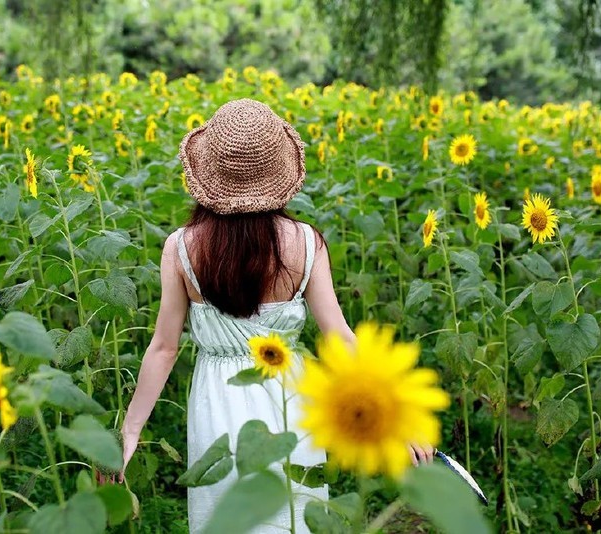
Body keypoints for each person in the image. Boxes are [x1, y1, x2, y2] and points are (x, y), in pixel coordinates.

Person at [96, 98, 435, 532]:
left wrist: (129, 432)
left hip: (216, 401)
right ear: (279, 173)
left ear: (208, 172)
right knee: (293, 512)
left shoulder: (181, 248)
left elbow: (163, 349)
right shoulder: (306, 243)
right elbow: (340, 338)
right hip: (290, 398)